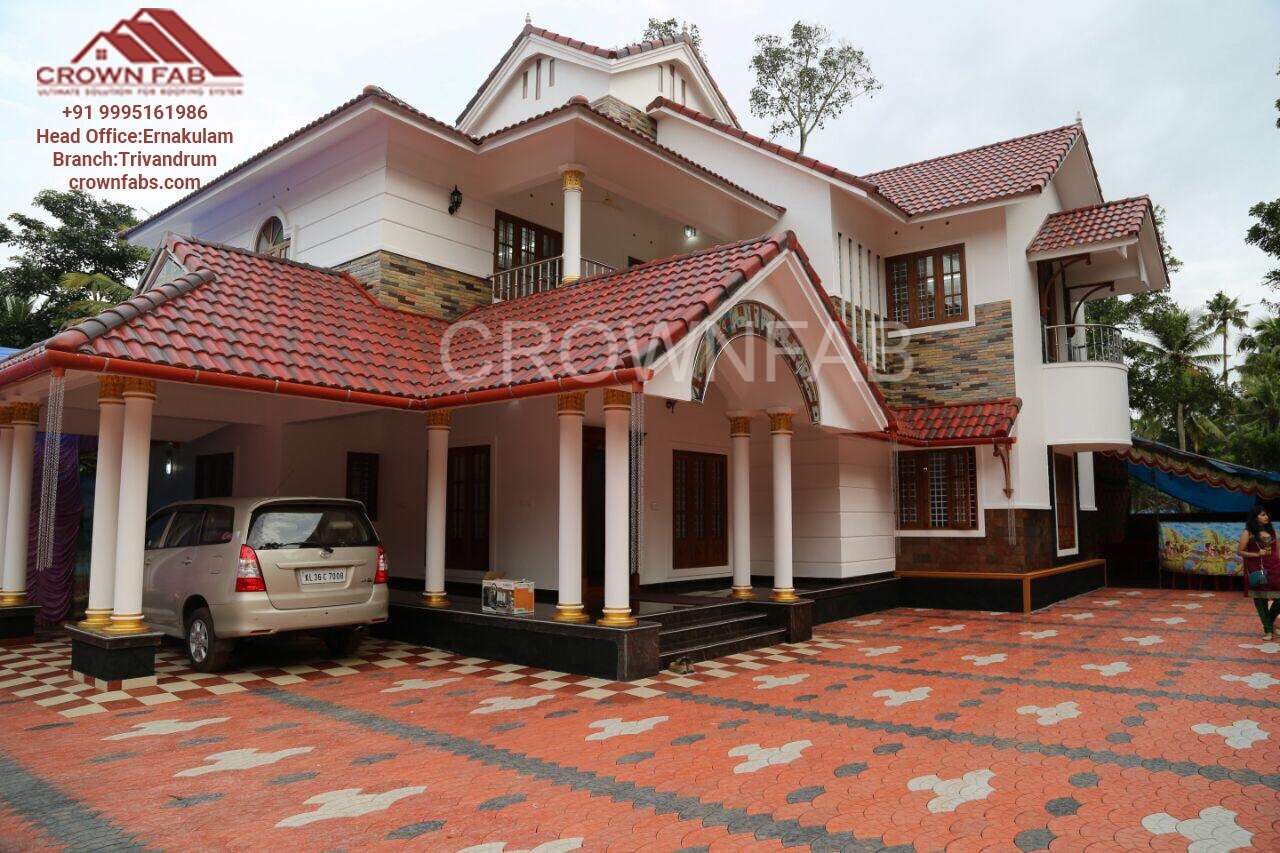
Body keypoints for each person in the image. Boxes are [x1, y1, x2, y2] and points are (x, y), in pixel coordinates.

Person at [1239, 506, 1280, 639]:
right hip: (1258, 569)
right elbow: (1240, 551)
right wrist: (1257, 554)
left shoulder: (1272, 530)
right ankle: (1268, 630)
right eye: (1263, 515)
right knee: (1260, 600)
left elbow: (1278, 550)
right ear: (1255, 517)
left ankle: (1269, 623)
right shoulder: (1248, 532)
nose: (1266, 517)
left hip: (1275, 567)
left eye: (1267, 514)